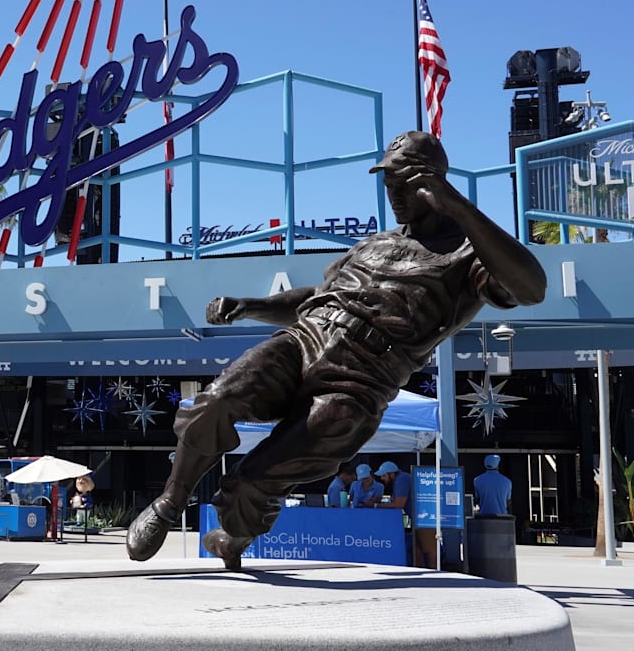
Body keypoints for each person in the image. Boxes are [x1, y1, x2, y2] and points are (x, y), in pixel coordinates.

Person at [126, 131, 547, 570]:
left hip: (361, 379)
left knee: (256, 479)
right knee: (216, 400)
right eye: (389, 184)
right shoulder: (375, 243)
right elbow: (318, 298)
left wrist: (457, 205)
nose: (396, 195)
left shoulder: (469, 256)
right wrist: (250, 306)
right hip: (307, 338)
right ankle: (170, 503)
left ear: (434, 184)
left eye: (406, 184)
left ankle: (234, 535)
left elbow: (532, 288)